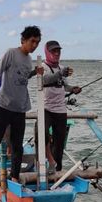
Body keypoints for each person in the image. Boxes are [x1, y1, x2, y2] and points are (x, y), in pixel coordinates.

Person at [0, 26, 44, 183]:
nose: (34, 45)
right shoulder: (11, 53)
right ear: (23, 40)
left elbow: (23, 77)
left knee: (18, 146)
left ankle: (14, 177)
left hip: (20, 108)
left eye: (37, 42)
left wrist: (35, 73)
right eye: (32, 41)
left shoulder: (28, 60)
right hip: (4, 104)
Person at [41, 40, 81, 171]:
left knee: (59, 143)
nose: (56, 53)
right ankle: (45, 163)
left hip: (60, 110)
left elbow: (65, 86)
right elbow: (44, 80)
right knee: (41, 135)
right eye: (53, 51)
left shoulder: (61, 68)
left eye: (58, 51)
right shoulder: (42, 67)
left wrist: (73, 89)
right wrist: (60, 73)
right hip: (46, 109)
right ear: (47, 52)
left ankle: (57, 170)